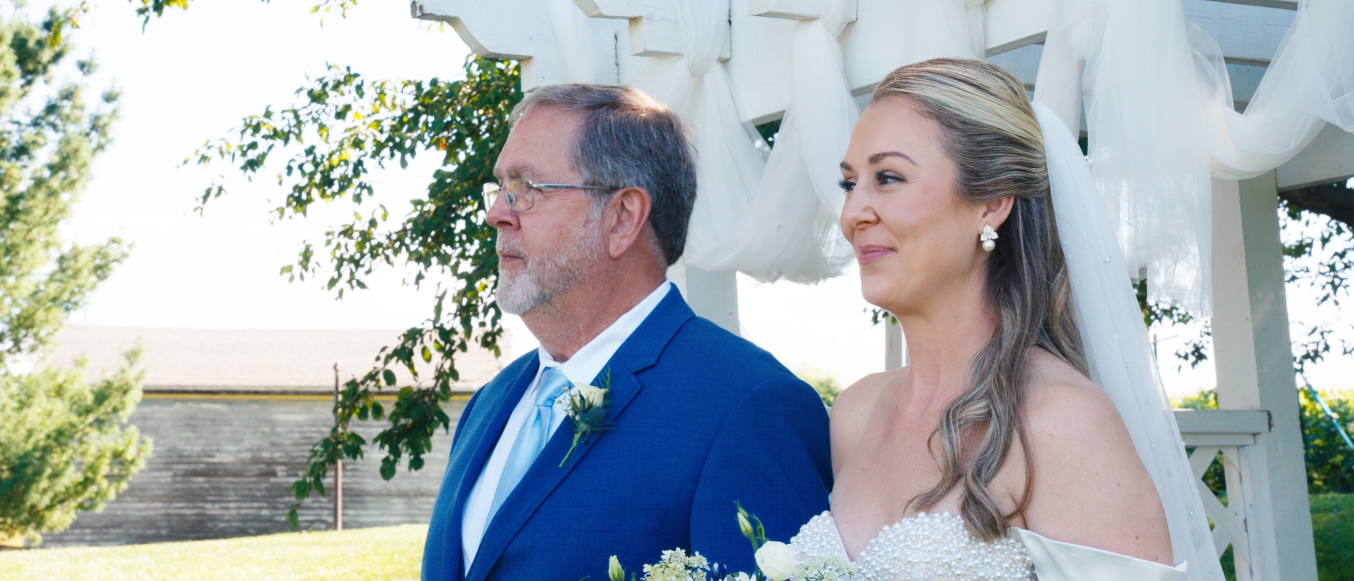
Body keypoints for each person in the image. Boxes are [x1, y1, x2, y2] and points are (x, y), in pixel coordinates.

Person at [784, 58, 1193, 580]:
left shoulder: (1058, 420)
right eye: (849, 184)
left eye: (888, 178)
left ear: (993, 203)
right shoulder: (855, 414)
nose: (853, 213)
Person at [420, 84, 833, 581]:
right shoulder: (488, 405)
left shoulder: (748, 406)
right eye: (501, 188)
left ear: (622, 217)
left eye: (527, 188)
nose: (497, 214)